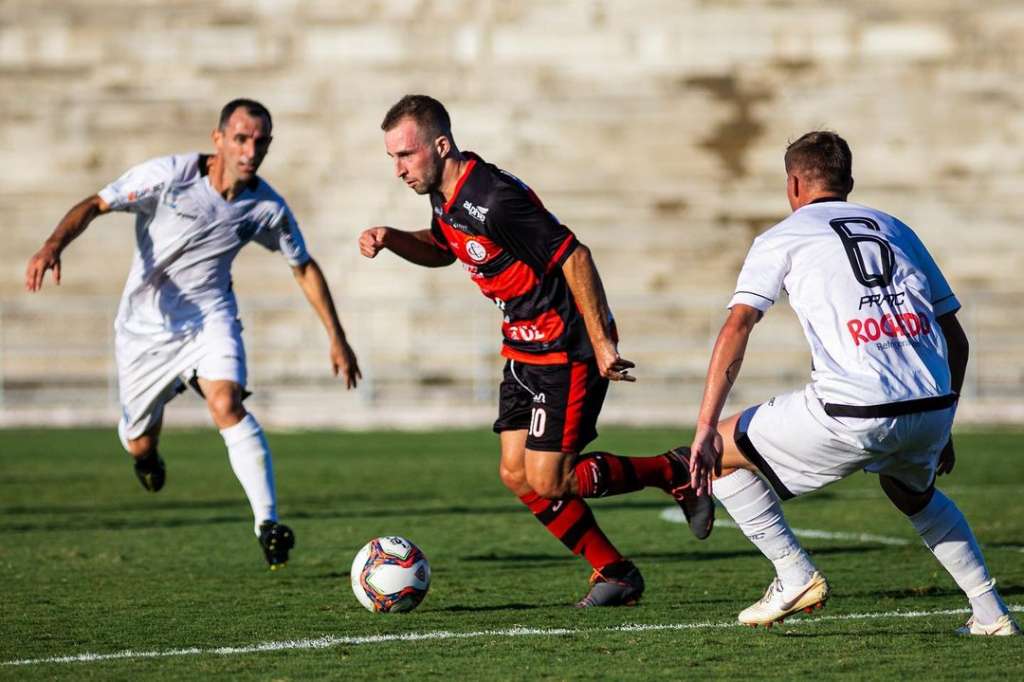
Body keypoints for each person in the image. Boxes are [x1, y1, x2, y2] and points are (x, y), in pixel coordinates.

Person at [359, 94, 713, 607]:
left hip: (565, 347)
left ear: (441, 144)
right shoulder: (446, 195)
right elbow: (445, 247)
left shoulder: (495, 199)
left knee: (552, 479)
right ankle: (613, 571)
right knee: (516, 472)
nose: (398, 169)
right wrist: (393, 238)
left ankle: (674, 471)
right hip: (523, 348)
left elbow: (574, 255)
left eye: (405, 155)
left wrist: (602, 342)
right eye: (392, 157)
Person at [688, 131, 1019, 635]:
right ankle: (991, 614)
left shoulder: (783, 236)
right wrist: (942, 424)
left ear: (793, 183)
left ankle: (793, 573)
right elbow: (957, 338)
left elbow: (738, 326)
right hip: (930, 403)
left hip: (855, 410)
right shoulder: (897, 228)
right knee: (912, 493)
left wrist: (705, 424)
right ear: (850, 182)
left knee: (721, 454)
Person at [25, 98, 361, 570]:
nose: (250, 150)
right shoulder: (168, 177)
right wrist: (53, 245)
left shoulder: (265, 206)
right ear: (218, 139)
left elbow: (302, 266)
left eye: (261, 141)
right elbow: (96, 204)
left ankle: (268, 524)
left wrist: (336, 337)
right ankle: (147, 456)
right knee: (139, 441)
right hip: (145, 329)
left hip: (210, 319)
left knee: (226, 404)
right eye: (241, 139)